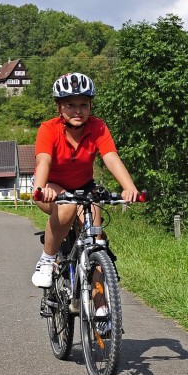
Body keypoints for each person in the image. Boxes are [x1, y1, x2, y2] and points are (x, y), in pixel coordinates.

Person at [31, 72, 139, 291]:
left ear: (90, 106)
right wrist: (40, 188)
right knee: (66, 207)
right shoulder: (49, 129)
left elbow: (111, 157)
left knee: (96, 238)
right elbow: (44, 160)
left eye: (84, 104)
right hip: (51, 187)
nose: (78, 110)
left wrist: (129, 188)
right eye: (70, 104)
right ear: (59, 107)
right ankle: (47, 259)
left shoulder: (97, 127)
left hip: (84, 188)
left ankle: (101, 313)